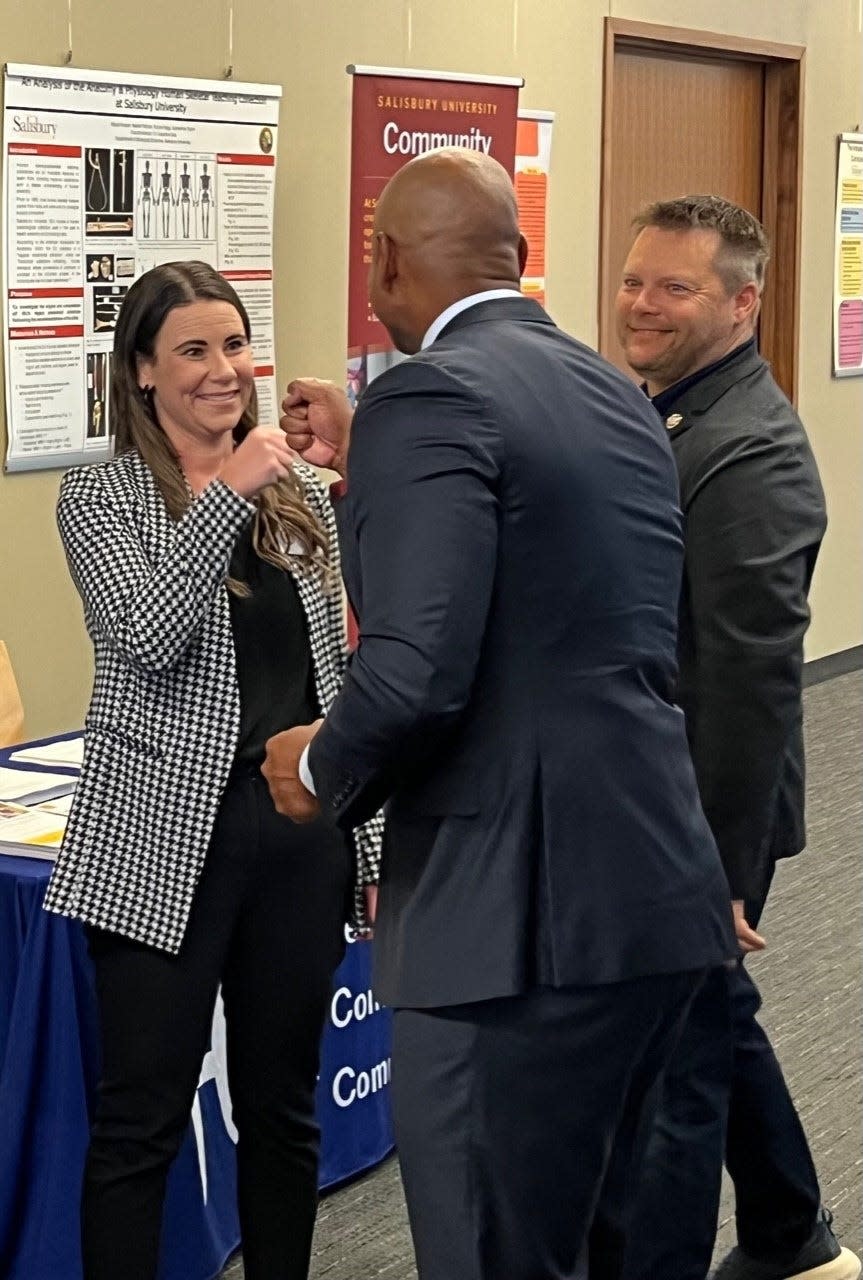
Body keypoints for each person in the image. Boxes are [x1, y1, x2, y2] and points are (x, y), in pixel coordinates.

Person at [261, 148, 737, 1280]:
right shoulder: (607, 390)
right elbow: (559, 598)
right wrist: (371, 438)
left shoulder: (429, 398)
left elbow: (420, 668)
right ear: (514, 259)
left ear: (382, 263)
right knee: (608, 1244)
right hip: (650, 898)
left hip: (511, 933)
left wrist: (322, 763)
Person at [43, 260, 382, 1280]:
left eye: (234, 344)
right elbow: (146, 638)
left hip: (293, 840)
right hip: (158, 847)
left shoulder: (294, 489)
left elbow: (341, 671)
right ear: (142, 370)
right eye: (193, 349)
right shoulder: (99, 495)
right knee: (138, 1120)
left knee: (282, 1109)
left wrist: (361, 839)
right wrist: (222, 498)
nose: (223, 370)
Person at [614, 196, 858, 1280]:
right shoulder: (666, 408)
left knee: (678, 1067)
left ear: (741, 302)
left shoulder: (749, 449)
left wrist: (714, 871)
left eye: (674, 287)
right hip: (658, 802)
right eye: (632, 279)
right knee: (710, 1007)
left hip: (701, 814)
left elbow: (749, 683)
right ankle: (786, 1228)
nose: (641, 304)